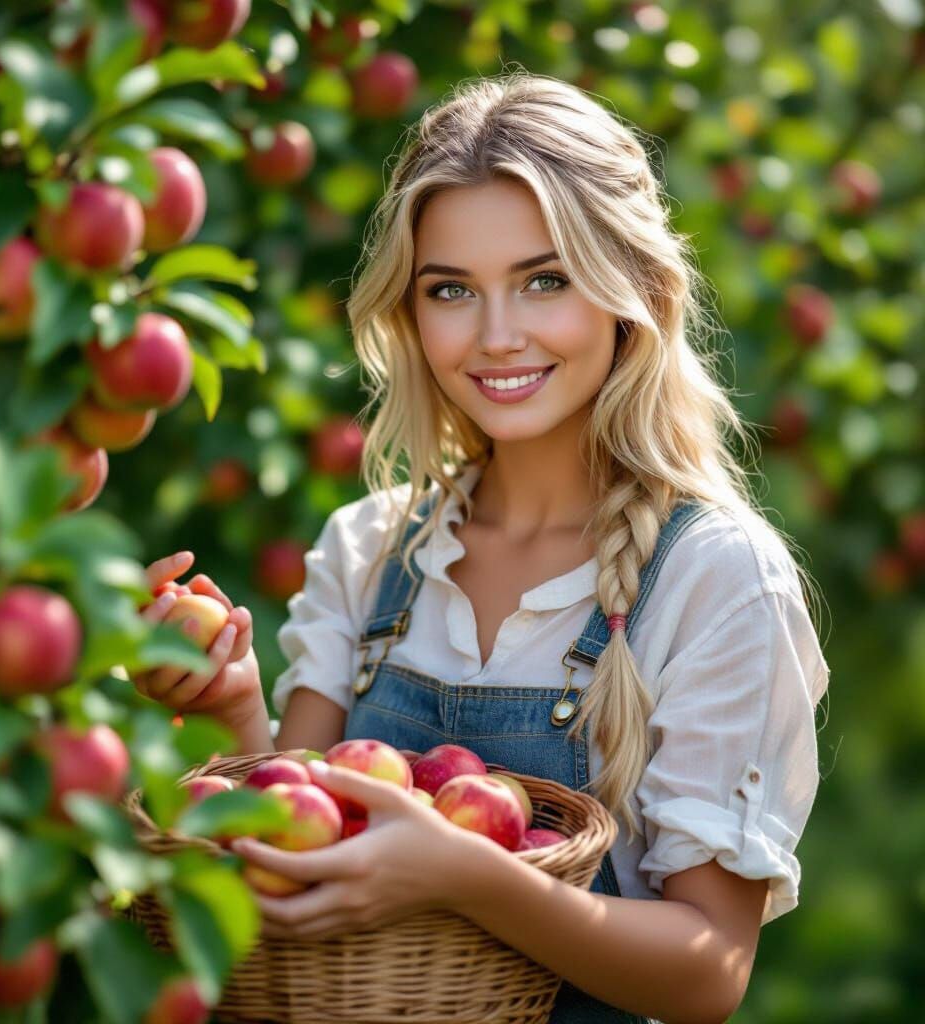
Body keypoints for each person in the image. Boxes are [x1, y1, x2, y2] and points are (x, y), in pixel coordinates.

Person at [129, 70, 830, 1024]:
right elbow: (291, 855)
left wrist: (468, 877)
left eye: (545, 280)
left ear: (631, 291)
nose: (498, 337)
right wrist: (235, 709)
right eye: (451, 289)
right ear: (409, 315)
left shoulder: (713, 578)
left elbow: (706, 971)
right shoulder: (373, 552)